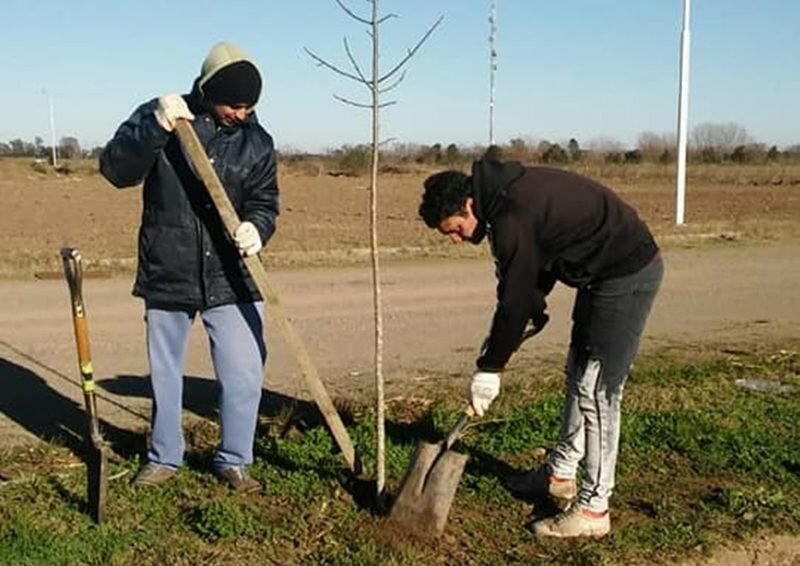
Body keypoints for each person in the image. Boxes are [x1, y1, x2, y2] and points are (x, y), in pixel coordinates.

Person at [419, 158, 663, 538]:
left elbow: (516, 299)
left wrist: (490, 368)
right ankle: (559, 474)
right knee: (578, 377)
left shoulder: (509, 215)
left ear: (468, 205)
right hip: (598, 278)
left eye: (455, 230)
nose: (456, 238)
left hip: (625, 273)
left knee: (598, 391)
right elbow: (527, 285)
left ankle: (594, 511)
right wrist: (501, 345)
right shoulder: (502, 201)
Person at [100, 41, 279, 492]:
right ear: (206, 91)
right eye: (234, 104)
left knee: (244, 372)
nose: (242, 113)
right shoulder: (164, 117)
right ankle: (164, 458)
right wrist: (153, 128)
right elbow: (116, 170)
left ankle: (234, 460)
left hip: (233, 275)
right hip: (169, 267)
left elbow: (265, 202)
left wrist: (257, 227)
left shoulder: (258, 142)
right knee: (164, 375)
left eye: (250, 105)